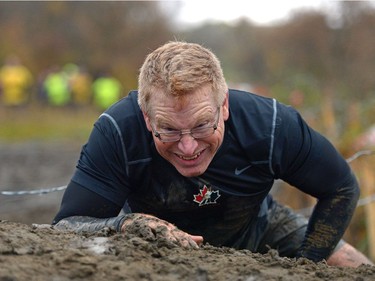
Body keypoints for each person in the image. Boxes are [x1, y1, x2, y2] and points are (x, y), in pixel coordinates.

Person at [53, 41, 373, 267]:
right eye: (169, 130)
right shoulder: (118, 132)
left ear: (224, 107)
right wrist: (126, 225)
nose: (188, 147)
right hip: (152, 242)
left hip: (257, 224)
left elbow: (341, 187)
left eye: (202, 125)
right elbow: (67, 225)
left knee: (355, 267)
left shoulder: (270, 126)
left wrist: (308, 267)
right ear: (147, 117)